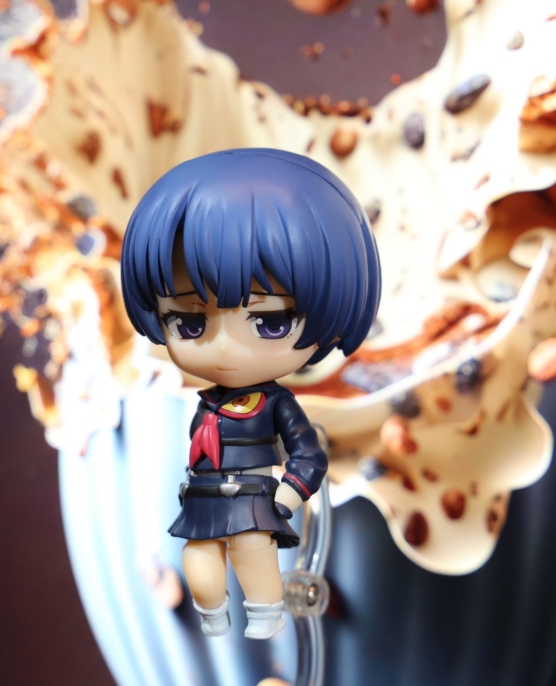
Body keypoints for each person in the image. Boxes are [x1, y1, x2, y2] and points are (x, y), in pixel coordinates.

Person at [120, 148, 381, 639]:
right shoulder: (206, 401)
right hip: (203, 495)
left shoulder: (276, 403)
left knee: (251, 550)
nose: (224, 349)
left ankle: (264, 612)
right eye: (189, 323)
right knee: (198, 558)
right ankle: (213, 611)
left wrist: (287, 495)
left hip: (256, 495)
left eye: (270, 321)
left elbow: (309, 454)